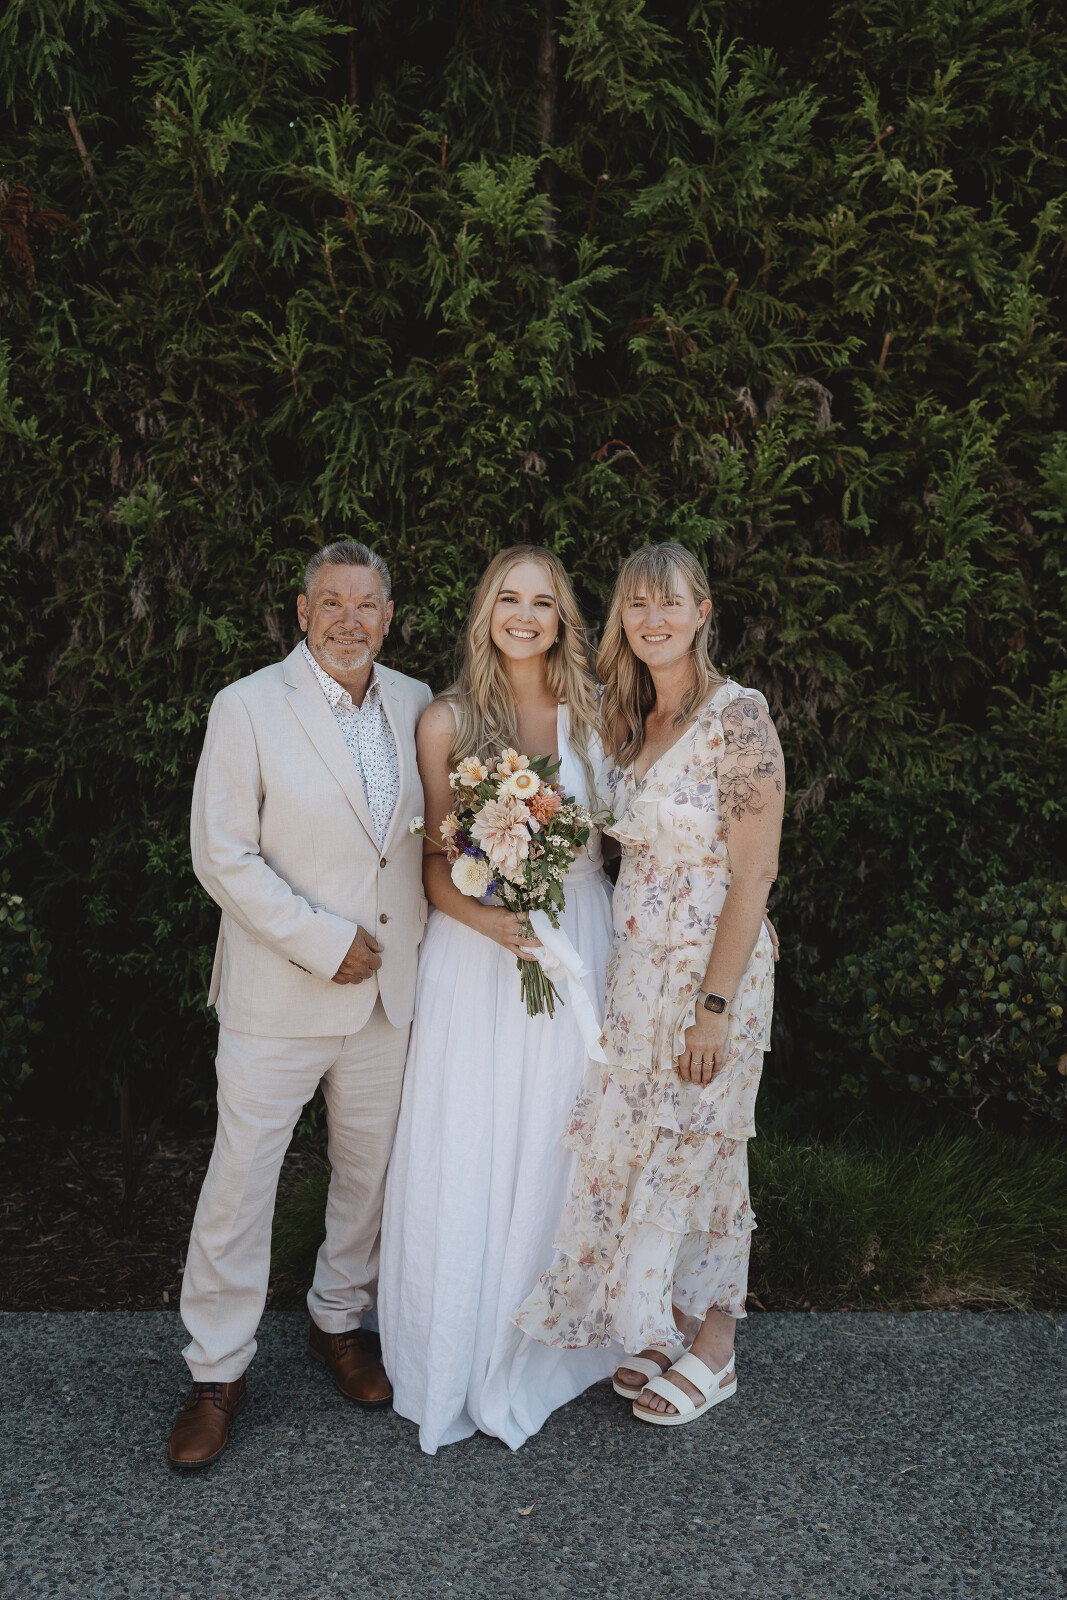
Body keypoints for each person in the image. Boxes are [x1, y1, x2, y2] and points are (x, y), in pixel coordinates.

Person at [169, 540, 432, 1470]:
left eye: (366, 605)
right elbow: (222, 855)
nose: (348, 620)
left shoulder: (419, 704)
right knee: (241, 1184)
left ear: (388, 617)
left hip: (388, 999)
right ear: (301, 610)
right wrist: (323, 942)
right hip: (279, 995)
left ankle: (338, 1321)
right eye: (331, 602)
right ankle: (216, 1372)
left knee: (369, 1177)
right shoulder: (245, 706)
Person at [514, 541, 784, 1427]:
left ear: (702, 613)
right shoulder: (628, 721)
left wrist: (713, 1007)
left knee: (705, 1147)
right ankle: (662, 1322)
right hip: (634, 976)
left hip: (714, 978)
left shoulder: (738, 719)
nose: (652, 619)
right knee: (639, 1145)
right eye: (636, 604)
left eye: (669, 603)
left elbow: (753, 874)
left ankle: (716, 1346)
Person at [378, 546, 619, 1453]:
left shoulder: (599, 713)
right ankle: (462, 1343)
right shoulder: (446, 719)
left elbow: (644, 837)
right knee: (473, 1134)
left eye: (542, 602)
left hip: (581, 935)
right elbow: (434, 869)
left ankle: (557, 1337)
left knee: (560, 1132)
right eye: (508, 599)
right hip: (478, 954)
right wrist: (497, 926)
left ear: (562, 619)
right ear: (486, 612)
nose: (524, 615)